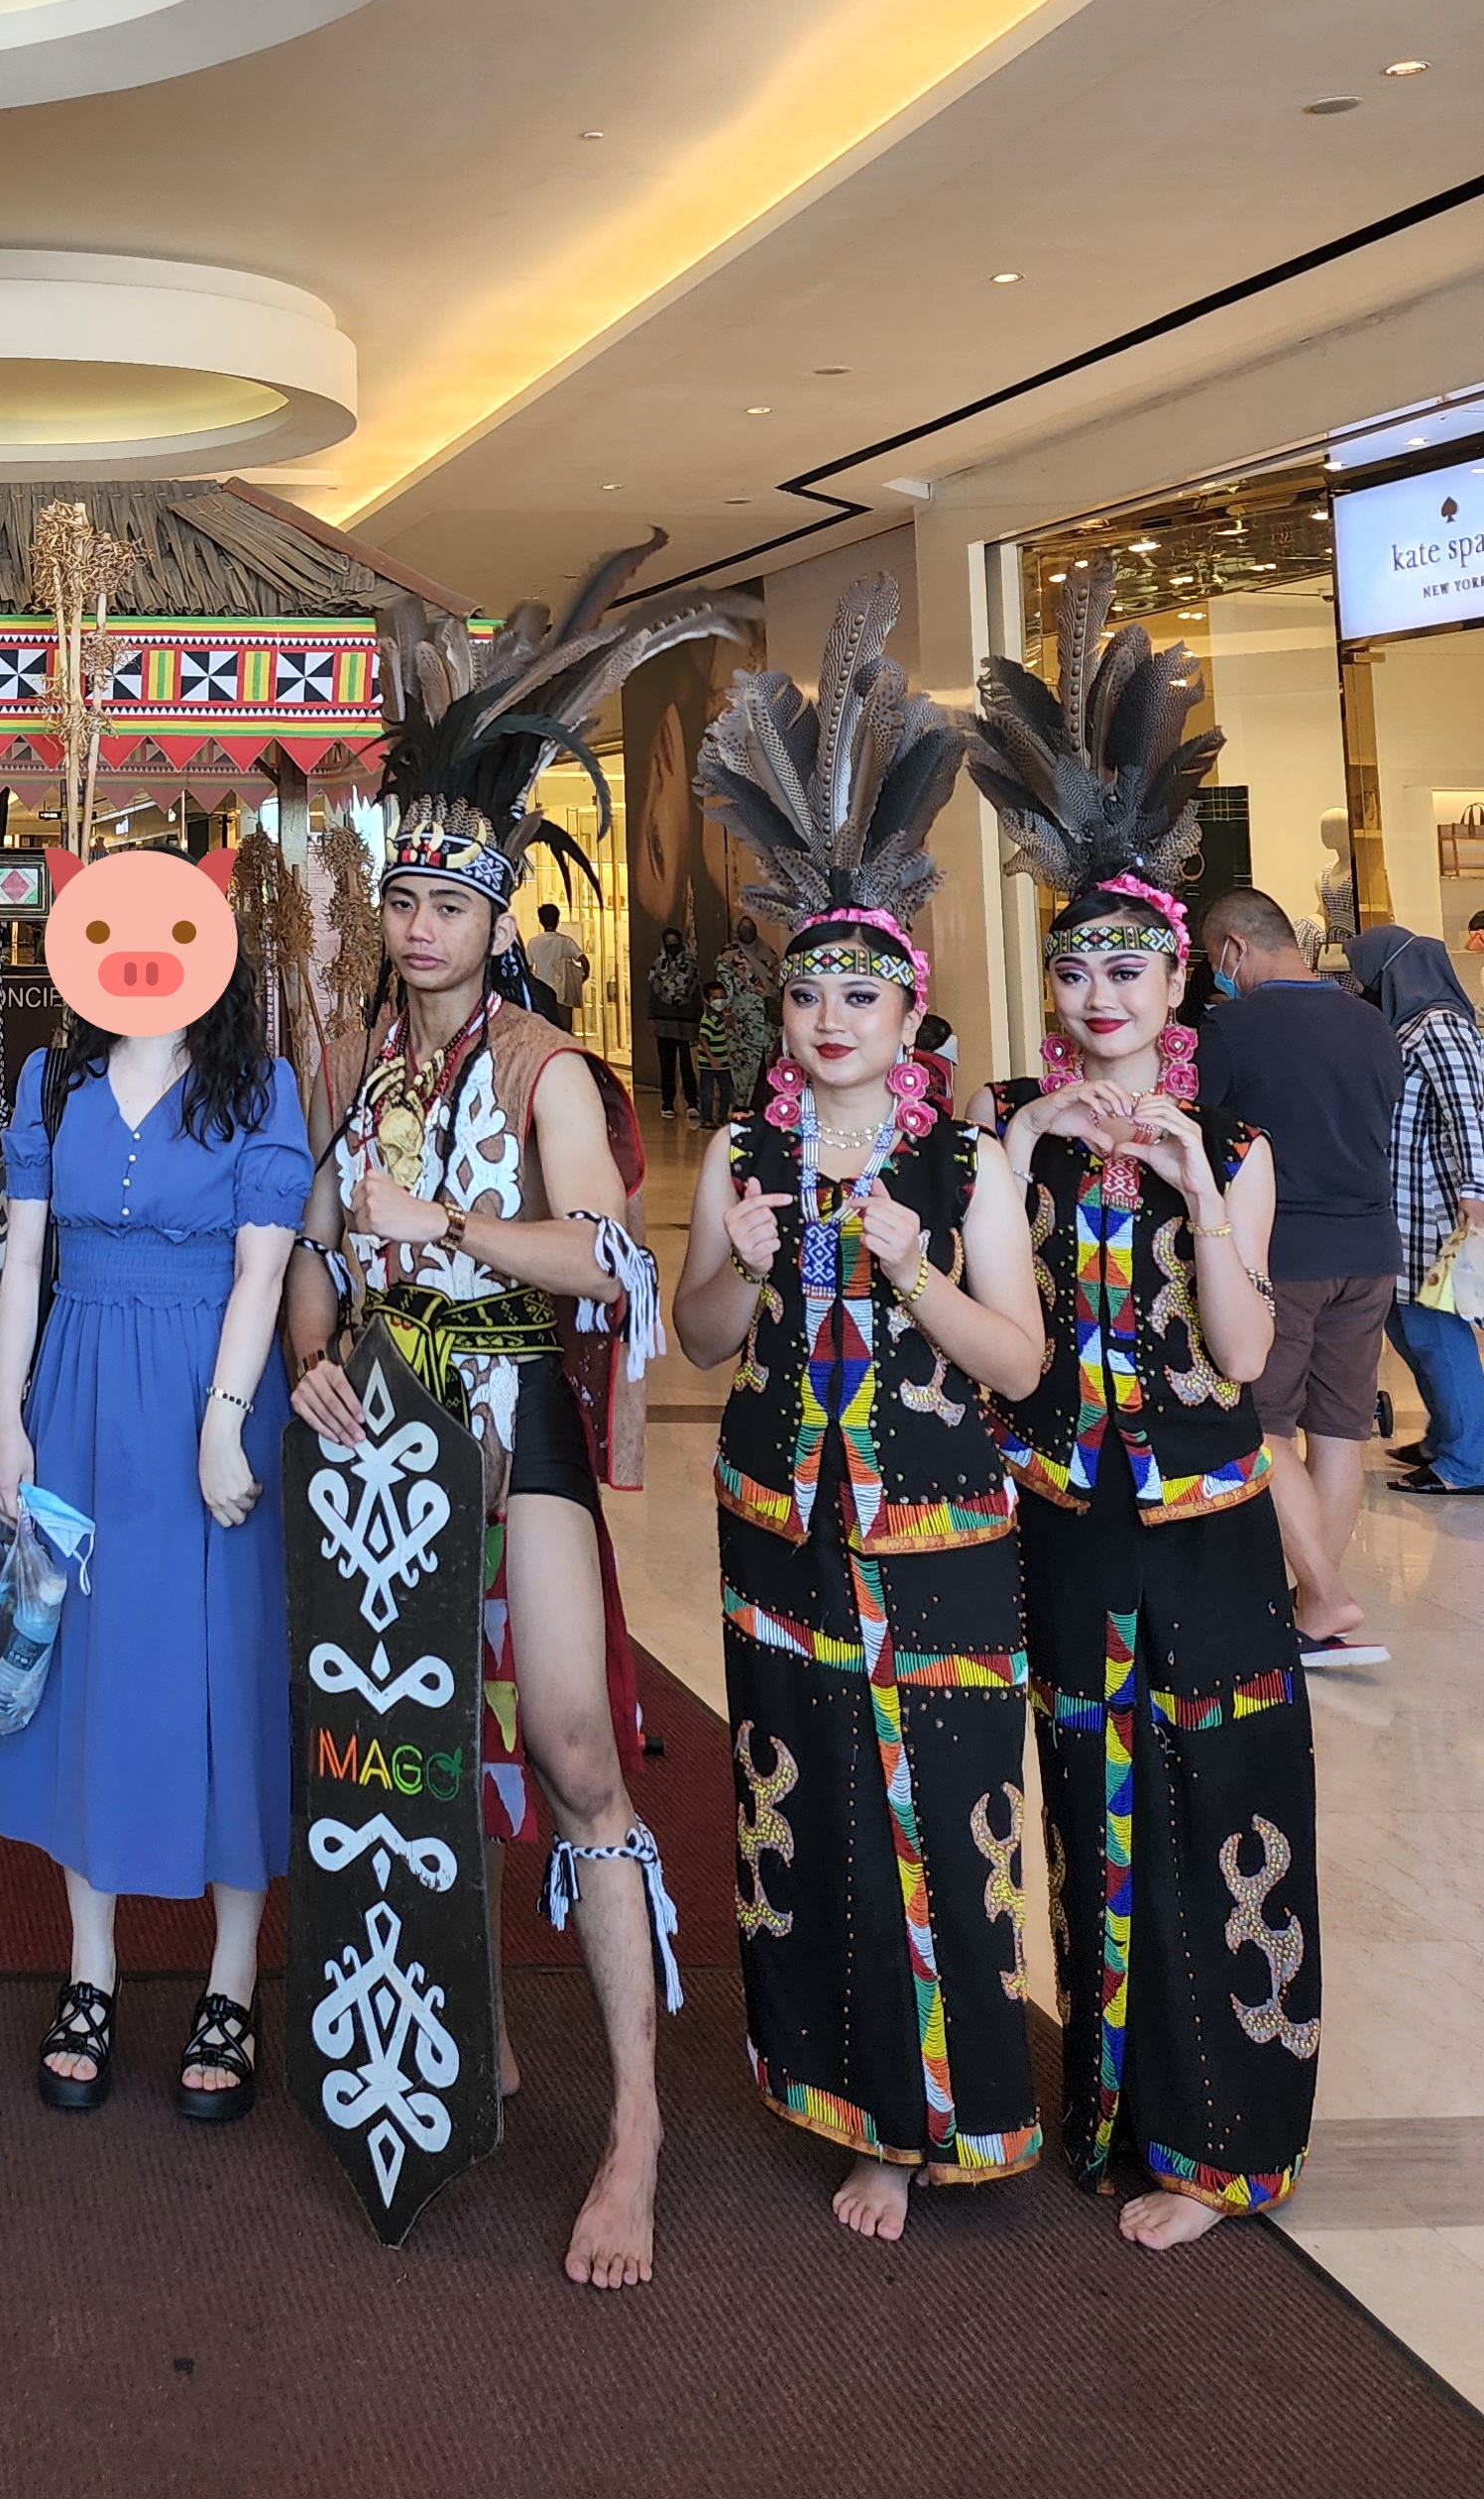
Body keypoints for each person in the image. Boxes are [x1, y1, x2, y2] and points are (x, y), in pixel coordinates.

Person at [285, 546, 725, 2291]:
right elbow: (316, 1250)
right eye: (404, 902)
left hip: (505, 1401)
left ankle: (638, 2125)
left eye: (449, 908)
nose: (420, 930)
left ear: (495, 920)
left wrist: (449, 1227)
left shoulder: (544, 1070)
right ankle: (462, 2021)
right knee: (405, 1741)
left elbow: (608, 1258)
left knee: (571, 1744)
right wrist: (312, 1350)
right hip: (379, 1431)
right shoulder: (352, 1068)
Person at [681, 578, 1044, 2234]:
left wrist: (914, 1271)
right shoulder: (741, 1155)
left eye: (860, 998)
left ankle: (947, 2113)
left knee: (944, 1822)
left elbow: (1018, 1366)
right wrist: (744, 1266)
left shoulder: (965, 1165)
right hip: (779, 1530)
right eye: (807, 996)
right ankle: (851, 2106)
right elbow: (701, 1341)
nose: (828, 1021)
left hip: (940, 1541)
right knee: (811, 1805)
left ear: (909, 1016)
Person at [964, 575, 1317, 2239]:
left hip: (1208, 1539)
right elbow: (1010, 1348)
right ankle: (1111, 2119)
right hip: (1067, 1527)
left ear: (1180, 985)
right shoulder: (1008, 1132)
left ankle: (1226, 2149)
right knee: (1087, 1817)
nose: (1101, 994)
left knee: (1217, 1816)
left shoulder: (1230, 1150)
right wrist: (1014, 1156)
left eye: (1131, 968)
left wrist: (1193, 1190)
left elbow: (1242, 1357)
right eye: (1076, 967)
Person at [0, 955, 305, 2119]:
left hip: (206, 1386)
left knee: (224, 1671)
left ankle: (233, 1977)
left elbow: (263, 1269)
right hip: (77, 1392)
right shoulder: (49, 1078)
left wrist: (224, 1419)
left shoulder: (260, 1083)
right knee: (86, 1673)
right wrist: (6, 1419)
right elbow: (25, 1259)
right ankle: (92, 1967)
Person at [1197, 884, 1404, 1667]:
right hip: (1370, 1248)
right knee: (1342, 1430)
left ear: (1234, 949)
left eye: (1214, 959)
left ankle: (1322, 1592)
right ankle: (1316, 1609)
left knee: (1265, 1424)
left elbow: (1199, 1135)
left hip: (1284, 1253)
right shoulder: (1372, 1022)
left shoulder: (1231, 1028)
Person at [1350, 925, 1484, 1496]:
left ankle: (1469, 1462)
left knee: (1436, 1332)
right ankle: (1447, 1438)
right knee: (1408, 1327)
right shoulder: (1410, 1026)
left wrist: (1476, 1190)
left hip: (1435, 1210)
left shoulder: (1440, 1026)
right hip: (1402, 1209)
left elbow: (1467, 1113)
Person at [642, 925, 701, 1118]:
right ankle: (667, 1102)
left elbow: (696, 993)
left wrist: (699, 1019)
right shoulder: (658, 967)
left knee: (687, 1064)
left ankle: (692, 1102)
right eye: (669, 943)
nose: (672, 946)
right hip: (663, 1020)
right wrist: (651, 1018)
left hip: (686, 1021)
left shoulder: (691, 965)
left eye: (675, 943)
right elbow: (653, 994)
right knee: (666, 1064)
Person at [524, 899, 590, 1023]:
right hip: (563, 992)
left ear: (540, 921)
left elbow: (527, 967)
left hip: (542, 992)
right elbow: (583, 960)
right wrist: (583, 976)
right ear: (557, 920)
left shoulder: (533, 943)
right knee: (564, 1025)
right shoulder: (565, 941)